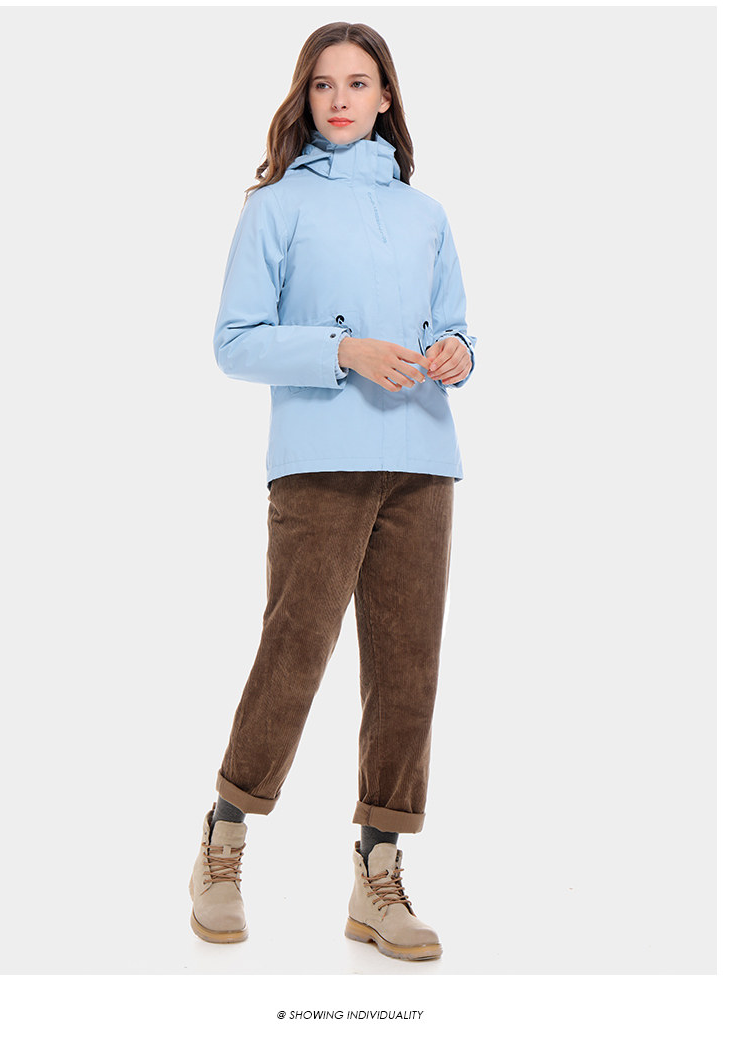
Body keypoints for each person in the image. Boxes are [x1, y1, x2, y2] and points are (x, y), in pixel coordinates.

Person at [188, 21, 476, 962]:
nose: (340, 99)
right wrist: (342, 349)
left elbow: (459, 327)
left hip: (422, 459)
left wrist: (456, 352)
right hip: (319, 461)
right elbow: (235, 341)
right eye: (323, 84)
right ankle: (224, 839)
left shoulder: (426, 214)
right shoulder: (277, 208)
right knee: (295, 651)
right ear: (304, 97)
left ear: (387, 96)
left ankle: (377, 871)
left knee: (407, 671)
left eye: (358, 83)